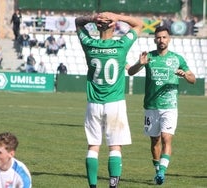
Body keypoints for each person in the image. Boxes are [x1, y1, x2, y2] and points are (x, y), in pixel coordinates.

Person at [75, 12, 143, 188]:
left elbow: (78, 22)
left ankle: (93, 186)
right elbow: (138, 24)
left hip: (93, 103)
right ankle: (113, 186)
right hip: (115, 103)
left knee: (93, 147)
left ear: (98, 26)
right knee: (115, 147)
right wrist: (117, 16)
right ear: (113, 25)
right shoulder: (121, 45)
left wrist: (93, 18)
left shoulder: (89, 44)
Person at [128, 26, 196, 185]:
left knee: (166, 138)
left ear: (169, 39)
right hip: (151, 106)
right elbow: (131, 72)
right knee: (154, 141)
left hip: (169, 106)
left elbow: (193, 79)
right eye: (158, 38)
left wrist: (185, 75)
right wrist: (139, 63)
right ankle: (158, 169)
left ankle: (162, 173)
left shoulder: (177, 59)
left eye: (164, 37)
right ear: (154, 40)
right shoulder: (149, 57)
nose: (161, 40)